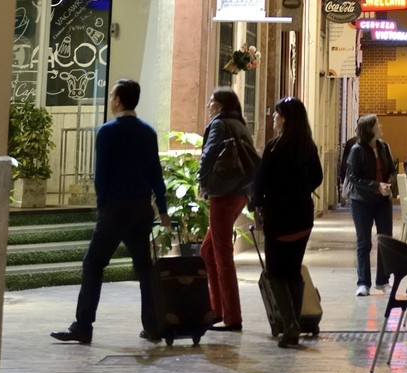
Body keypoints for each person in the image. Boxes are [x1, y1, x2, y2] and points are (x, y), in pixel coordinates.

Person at [50, 78, 170, 345]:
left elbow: (101, 176)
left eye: (112, 95)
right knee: (144, 269)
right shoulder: (148, 132)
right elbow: (156, 175)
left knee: (93, 264)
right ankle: (153, 326)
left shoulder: (107, 131)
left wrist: (102, 206)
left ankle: (83, 326)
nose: (111, 99)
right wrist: (162, 210)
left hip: (116, 208)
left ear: (117, 100)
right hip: (141, 209)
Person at [250, 97, 323, 347]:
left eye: (277, 115)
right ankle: (295, 323)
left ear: (286, 119)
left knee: (275, 272)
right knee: (293, 270)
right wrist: (300, 191)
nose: (274, 118)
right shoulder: (308, 147)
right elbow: (318, 177)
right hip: (302, 217)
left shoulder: (274, 147)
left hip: (279, 218)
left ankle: (290, 325)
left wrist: (260, 206)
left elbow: (260, 182)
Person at [198, 85, 258, 332]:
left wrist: (201, 183)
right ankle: (217, 309)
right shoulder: (241, 125)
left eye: (211, 101)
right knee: (208, 251)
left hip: (223, 193)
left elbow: (209, 154)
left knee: (222, 255)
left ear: (220, 105)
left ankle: (232, 317)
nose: (209, 105)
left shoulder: (219, 124)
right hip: (240, 192)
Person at [345, 113, 398, 295]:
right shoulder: (357, 150)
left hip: (383, 200)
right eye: (378, 124)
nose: (381, 126)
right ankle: (363, 283)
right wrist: (376, 186)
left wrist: (389, 184)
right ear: (369, 129)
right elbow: (353, 177)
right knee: (364, 242)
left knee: (385, 240)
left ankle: (383, 281)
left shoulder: (384, 147)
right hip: (362, 201)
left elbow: (392, 169)